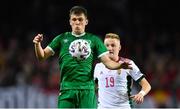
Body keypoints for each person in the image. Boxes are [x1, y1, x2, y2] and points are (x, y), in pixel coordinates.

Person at [33, 6, 132, 108]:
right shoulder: (61, 39)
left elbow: (107, 62)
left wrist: (119, 65)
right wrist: (37, 44)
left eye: (80, 19)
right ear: (70, 22)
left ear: (86, 21)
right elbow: (42, 56)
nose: (77, 22)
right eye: (74, 19)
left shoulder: (94, 40)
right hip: (67, 90)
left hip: (87, 90)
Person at [94, 33, 151, 109]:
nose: (109, 48)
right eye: (107, 46)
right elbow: (93, 87)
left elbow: (146, 85)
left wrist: (141, 94)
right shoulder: (98, 67)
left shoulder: (128, 63)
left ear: (119, 47)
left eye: (113, 45)